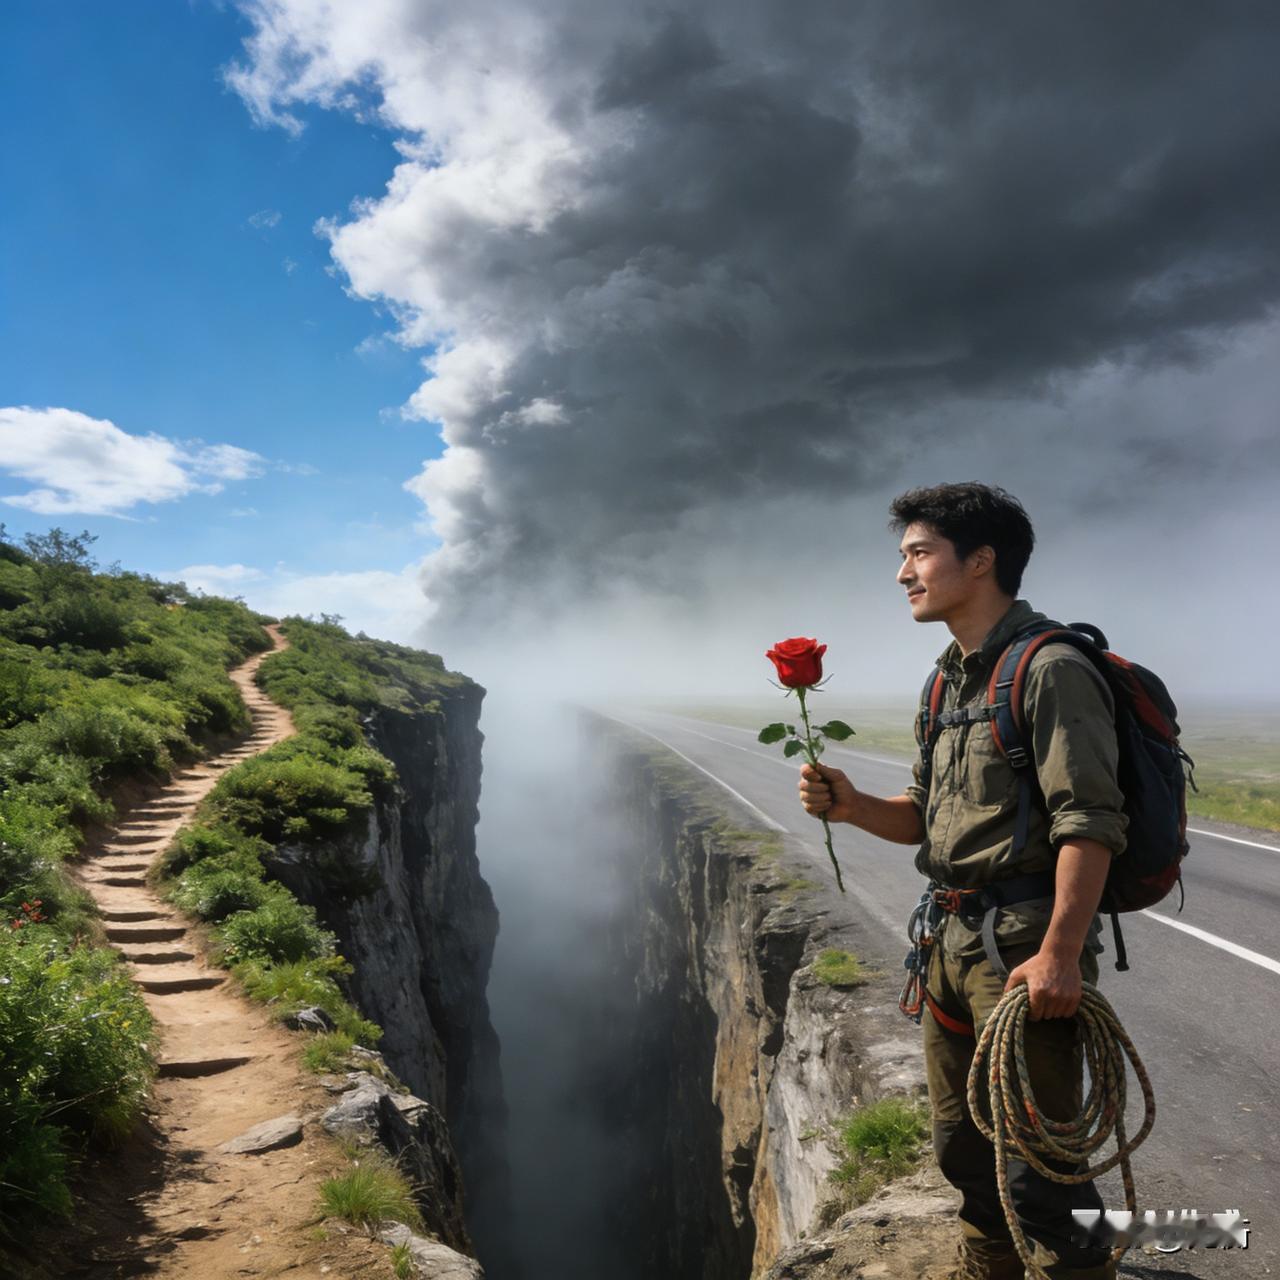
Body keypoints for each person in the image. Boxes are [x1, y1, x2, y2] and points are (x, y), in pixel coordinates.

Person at [797, 483, 1125, 1280]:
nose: (903, 573)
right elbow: (924, 814)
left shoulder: (1049, 670)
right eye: (903, 557)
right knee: (962, 1147)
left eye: (918, 554)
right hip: (947, 943)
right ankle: (989, 1266)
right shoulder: (946, 681)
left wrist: (1058, 954)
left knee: (1042, 1166)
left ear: (980, 562)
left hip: (1019, 949)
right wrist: (853, 807)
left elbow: (1089, 821)